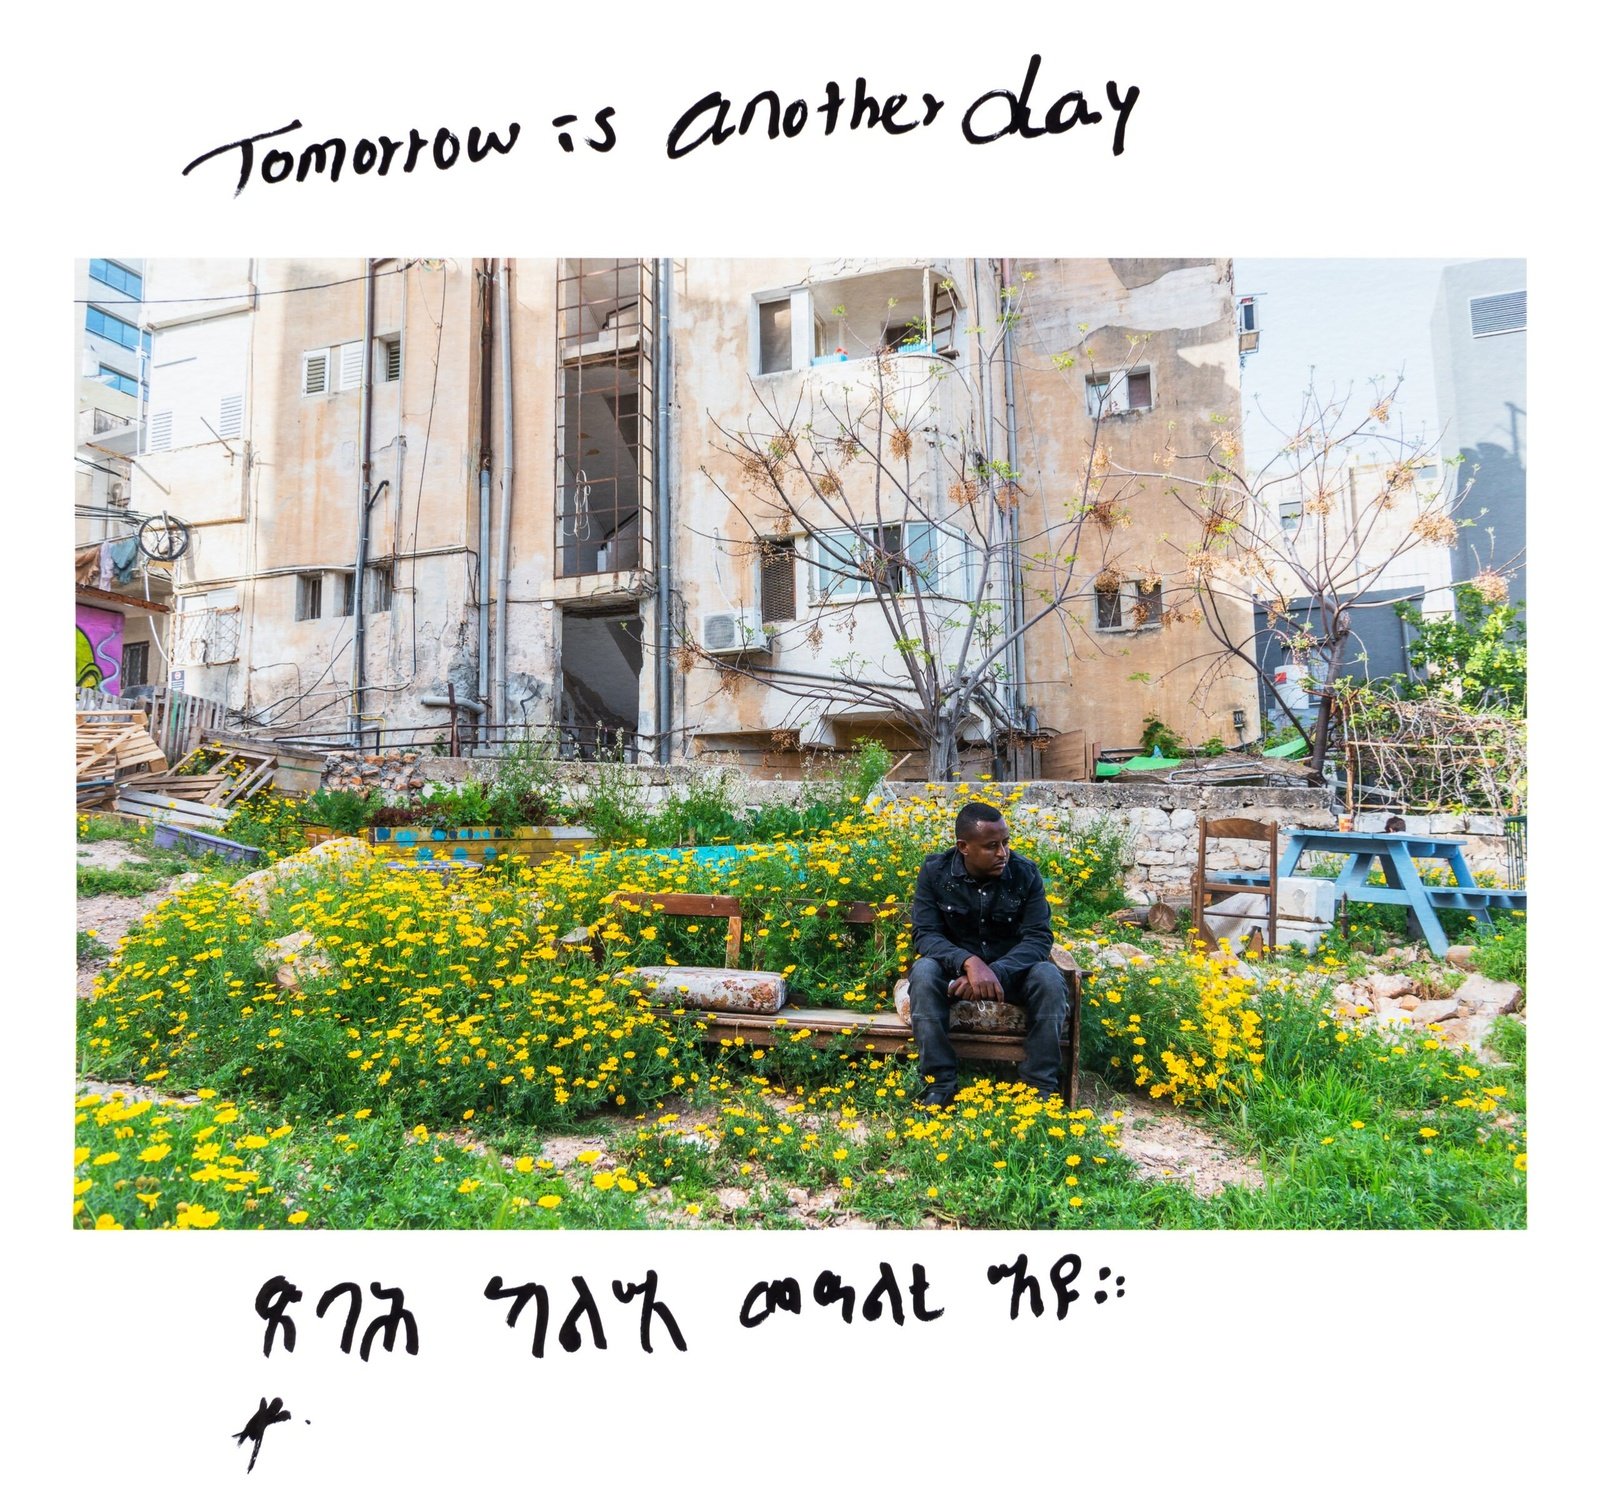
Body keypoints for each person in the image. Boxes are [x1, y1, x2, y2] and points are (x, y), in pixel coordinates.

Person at [907, 801, 1070, 1108]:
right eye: (992, 846)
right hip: (955, 976)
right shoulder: (935, 872)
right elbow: (925, 934)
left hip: (1011, 976)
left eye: (1006, 843)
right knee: (924, 972)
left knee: (1048, 976)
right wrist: (969, 963)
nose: (1002, 853)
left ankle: (1039, 1088)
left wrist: (995, 971)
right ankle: (939, 1085)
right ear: (964, 847)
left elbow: (1038, 937)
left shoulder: (1025, 874)